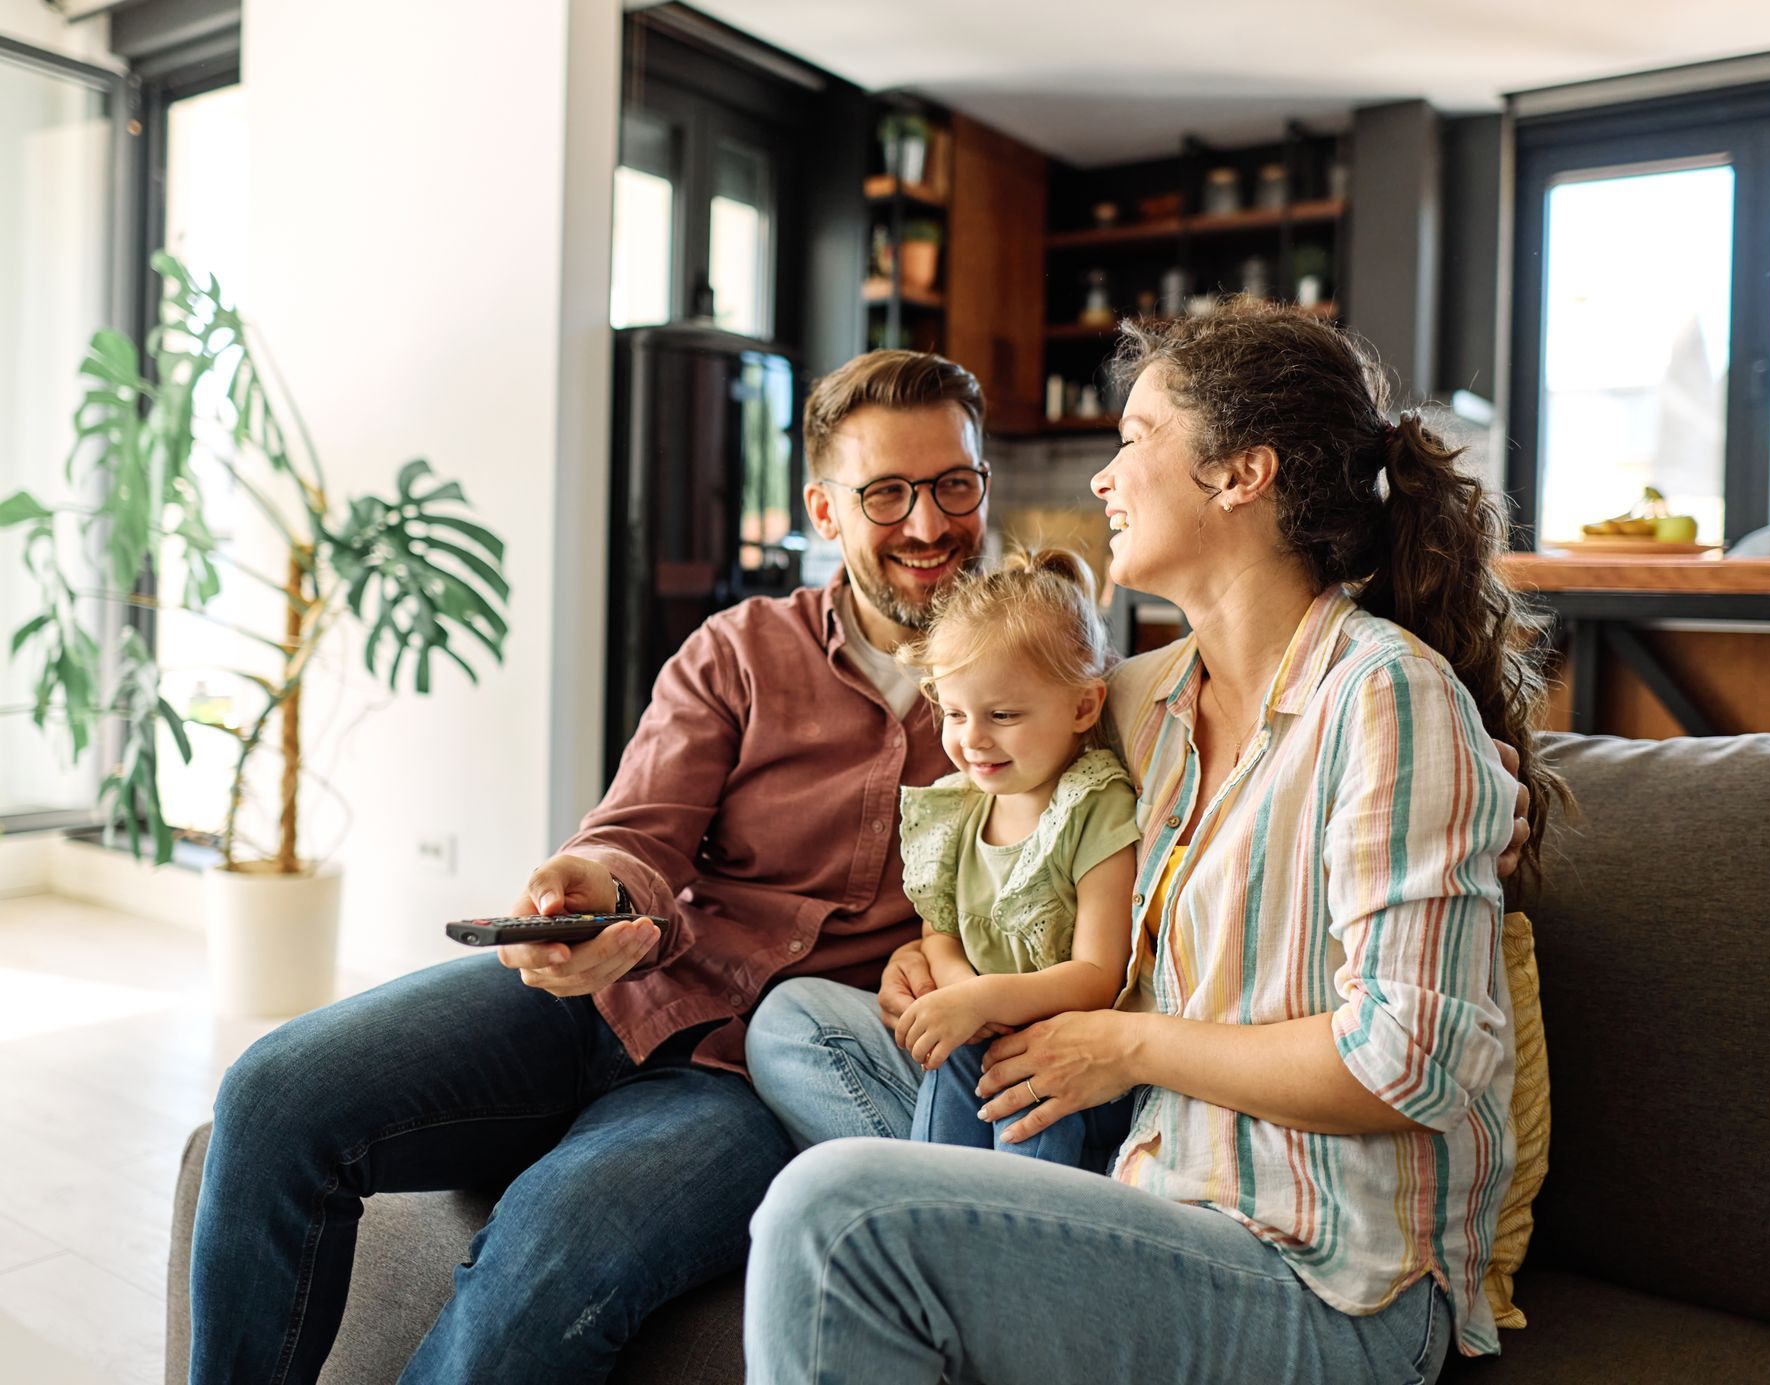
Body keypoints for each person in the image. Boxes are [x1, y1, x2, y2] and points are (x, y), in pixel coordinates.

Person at [742, 299, 1566, 1385]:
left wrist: (1123, 1046)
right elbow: (999, 748)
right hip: (1145, 1181)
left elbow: (1411, 1062)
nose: (1103, 477)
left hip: (1322, 1274)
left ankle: (925, 1213)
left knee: (834, 1213)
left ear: (1241, 475)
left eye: (1135, 440)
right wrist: (947, 962)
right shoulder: (1148, 699)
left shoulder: (1383, 698)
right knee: (802, 1019)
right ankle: (945, 1201)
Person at [187, 351, 1005, 1383]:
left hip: (754, 1082)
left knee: (550, 1248)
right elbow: (638, 830)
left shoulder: (1039, 688)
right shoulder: (741, 650)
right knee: (270, 1093)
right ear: (825, 511)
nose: (930, 524)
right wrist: (590, 890)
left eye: (954, 483)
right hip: (614, 990)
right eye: (888, 492)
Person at [892, 547, 1138, 1168]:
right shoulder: (955, 812)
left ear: (1084, 706)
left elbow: (1098, 974)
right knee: (951, 1062)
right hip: (982, 1035)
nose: (972, 738)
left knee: (1022, 1080)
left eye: (1002, 715)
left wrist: (983, 1003)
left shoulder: (1093, 804)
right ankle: (932, 1206)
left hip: (1074, 1062)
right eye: (953, 713)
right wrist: (961, 1000)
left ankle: (1023, 1217)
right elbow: (939, 939)